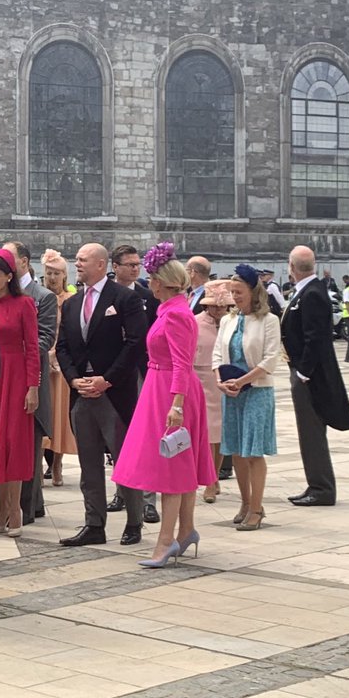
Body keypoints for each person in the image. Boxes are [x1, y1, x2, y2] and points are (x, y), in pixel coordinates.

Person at [112, 243, 216, 568]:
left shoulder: (177, 315)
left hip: (172, 392)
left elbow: (183, 363)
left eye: (152, 278)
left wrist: (178, 405)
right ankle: (185, 531)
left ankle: (166, 539)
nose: (149, 283)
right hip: (162, 389)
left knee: (171, 466)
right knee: (177, 464)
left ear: (162, 282)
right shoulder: (170, 311)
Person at [56, 243, 147, 547]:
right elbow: (64, 347)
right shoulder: (71, 304)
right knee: (88, 463)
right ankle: (94, 523)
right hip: (82, 394)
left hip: (114, 393)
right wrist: (73, 380)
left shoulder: (124, 299)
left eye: (82, 260)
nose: (77, 264)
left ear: (100, 263)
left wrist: (107, 380)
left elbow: (135, 344)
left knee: (125, 460)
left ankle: (134, 521)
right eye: (77, 260)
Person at [283, 246, 349, 508]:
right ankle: (316, 484)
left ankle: (322, 488)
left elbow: (316, 338)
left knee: (312, 432)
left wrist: (303, 372)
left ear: (291, 266)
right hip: (304, 372)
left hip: (309, 376)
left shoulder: (312, 293)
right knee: (308, 432)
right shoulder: (308, 290)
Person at [0, 248, 40, 536]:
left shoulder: (24, 304)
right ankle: (0, 508)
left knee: (12, 443)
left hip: (14, 377)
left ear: (9, 276)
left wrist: (32, 387)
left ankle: (16, 509)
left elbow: (32, 350)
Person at [213, 265, 281, 531]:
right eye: (232, 292)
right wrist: (221, 381)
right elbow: (218, 354)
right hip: (231, 393)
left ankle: (256, 506)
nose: (235, 297)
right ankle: (244, 502)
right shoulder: (229, 320)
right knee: (237, 450)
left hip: (257, 391)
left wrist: (242, 381)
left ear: (254, 292)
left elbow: (270, 359)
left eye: (239, 292)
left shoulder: (269, 320)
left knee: (253, 452)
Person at [3, 241, 56, 524]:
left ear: (23, 261)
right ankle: (18, 505)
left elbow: (45, 338)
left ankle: (28, 506)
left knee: (30, 444)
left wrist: (15, 346)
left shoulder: (42, 296)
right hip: (3, 379)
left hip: (28, 377)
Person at [109, 244, 160, 525]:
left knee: (145, 434)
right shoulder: (105, 295)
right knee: (118, 435)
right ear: (115, 266)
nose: (134, 268)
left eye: (137, 264)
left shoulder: (147, 297)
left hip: (141, 370)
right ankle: (122, 490)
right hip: (114, 372)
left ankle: (148, 499)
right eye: (129, 264)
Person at [194, 280, 232, 504]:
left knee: (220, 434)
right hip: (202, 378)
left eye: (222, 306)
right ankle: (209, 479)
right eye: (214, 306)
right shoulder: (195, 322)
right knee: (208, 433)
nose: (218, 310)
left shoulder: (232, 322)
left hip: (225, 378)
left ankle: (214, 476)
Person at [41, 248, 76, 486]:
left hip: (62, 359)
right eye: (49, 273)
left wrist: (57, 353)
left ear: (64, 275)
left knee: (59, 412)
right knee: (43, 411)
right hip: (42, 357)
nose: (52, 277)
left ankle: (57, 464)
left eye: (57, 273)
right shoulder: (40, 298)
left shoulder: (71, 300)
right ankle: (41, 462)